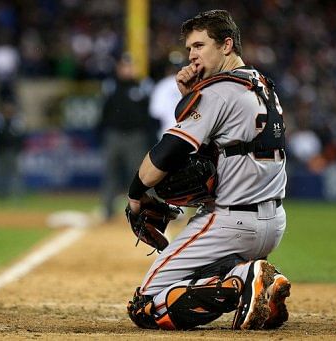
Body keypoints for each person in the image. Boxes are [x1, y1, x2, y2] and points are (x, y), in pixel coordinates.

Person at [125, 10, 291, 331]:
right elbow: (222, 142)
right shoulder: (264, 85)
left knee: (146, 307)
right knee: (194, 275)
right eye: (189, 48)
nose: (192, 55)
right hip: (272, 225)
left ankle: (241, 279)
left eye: (199, 46)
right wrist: (192, 96)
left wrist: (136, 195)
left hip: (231, 222)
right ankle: (259, 286)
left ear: (226, 45)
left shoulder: (218, 91)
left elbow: (168, 153)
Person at [98, 53, 157, 221]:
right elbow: (104, 113)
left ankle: (145, 209)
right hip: (114, 135)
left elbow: (149, 114)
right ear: (119, 68)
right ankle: (108, 210)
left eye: (130, 66)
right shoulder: (110, 86)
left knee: (140, 175)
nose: (128, 69)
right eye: (124, 66)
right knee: (110, 173)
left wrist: (149, 136)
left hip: (136, 136)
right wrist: (102, 132)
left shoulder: (143, 86)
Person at [0, 100, 25, 201]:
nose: (8, 112)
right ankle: (1, 196)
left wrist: (18, 150)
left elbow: (21, 137)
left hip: (13, 151)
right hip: (0, 152)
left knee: (15, 174)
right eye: (6, 110)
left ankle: (17, 197)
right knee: (0, 174)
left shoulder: (16, 122)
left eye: (10, 110)